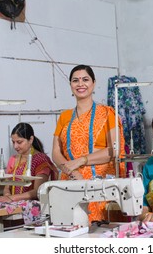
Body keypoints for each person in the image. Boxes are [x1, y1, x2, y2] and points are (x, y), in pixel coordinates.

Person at [52, 64, 126, 222]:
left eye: (85, 79)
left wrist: (81, 161)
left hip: (100, 186)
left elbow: (114, 150)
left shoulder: (108, 114)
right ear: (70, 85)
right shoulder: (64, 116)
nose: (80, 84)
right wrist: (72, 171)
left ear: (93, 83)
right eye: (75, 80)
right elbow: (56, 152)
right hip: (71, 183)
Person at [0, 122, 58, 202]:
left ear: (31, 139)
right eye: (13, 142)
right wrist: (7, 196)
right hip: (14, 205)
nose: (15, 146)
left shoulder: (41, 160)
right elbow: (7, 187)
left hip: (34, 207)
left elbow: (37, 191)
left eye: (19, 142)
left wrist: (11, 198)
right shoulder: (13, 159)